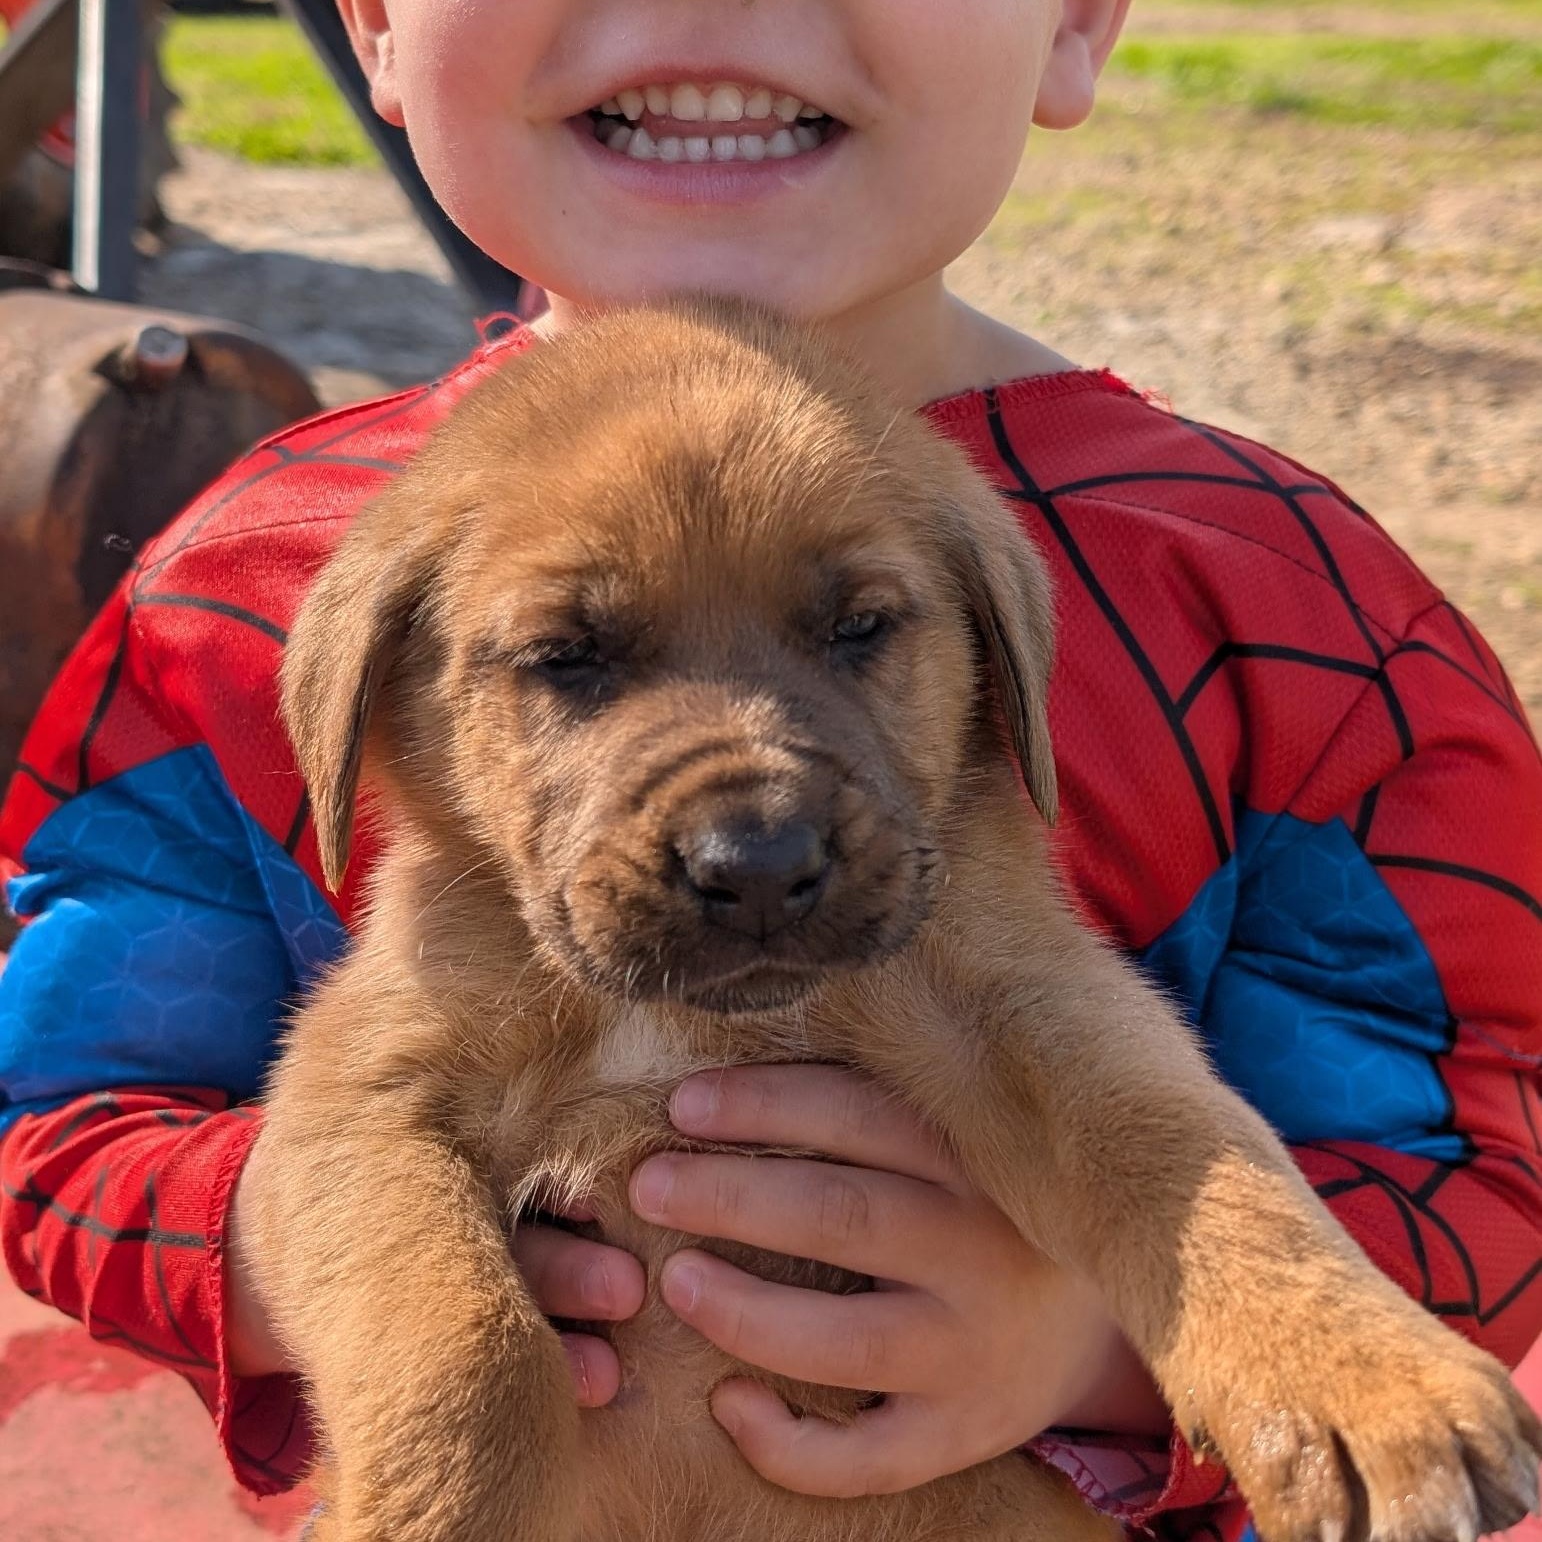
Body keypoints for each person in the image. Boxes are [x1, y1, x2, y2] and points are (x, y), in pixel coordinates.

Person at [2, 3, 1538, 1537]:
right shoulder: (235, 595)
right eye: (568, 657)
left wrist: (1093, 1348)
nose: (746, 835)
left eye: (858, 629)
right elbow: (70, 1126)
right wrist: (393, 1309)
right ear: (378, 26)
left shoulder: (1291, 613)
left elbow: (1430, 1157)